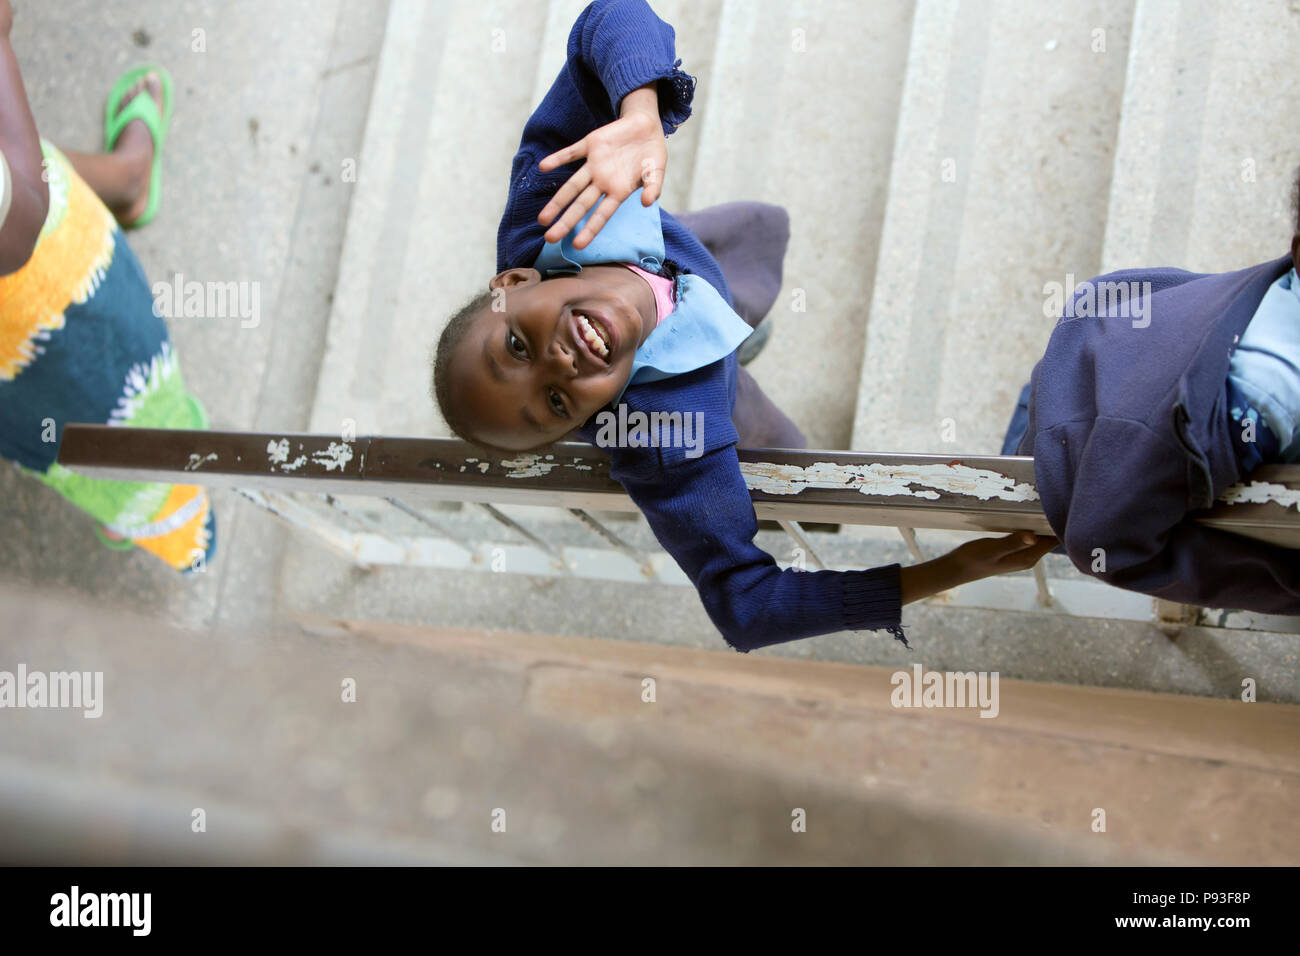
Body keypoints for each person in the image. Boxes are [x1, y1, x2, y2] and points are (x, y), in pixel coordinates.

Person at [433, 0, 1055, 652]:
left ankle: (737, 327)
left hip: (691, 260)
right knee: (783, 450)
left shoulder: (555, 195)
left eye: (515, 345)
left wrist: (639, 115)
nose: (558, 366)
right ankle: (748, 370)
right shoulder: (672, 442)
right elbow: (747, 609)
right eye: (557, 403)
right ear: (586, 424)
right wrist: (951, 570)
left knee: (741, 300)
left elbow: (608, 17)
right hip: (714, 392)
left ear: (513, 281)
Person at [1002, 173, 1300, 614]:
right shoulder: (1267, 395)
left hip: (1120, 338)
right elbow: (1106, 544)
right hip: (1076, 461)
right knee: (1031, 493)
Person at [0, 0, 215, 573]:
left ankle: (124, 181)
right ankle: (135, 492)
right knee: (95, 394)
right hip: (27, 303)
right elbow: (18, 223)